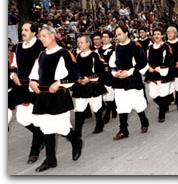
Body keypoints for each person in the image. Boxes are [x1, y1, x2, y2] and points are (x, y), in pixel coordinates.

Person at [29, 26, 83, 172]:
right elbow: (34, 74)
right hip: (43, 96)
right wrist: (32, 82)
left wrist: (58, 83)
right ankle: (50, 159)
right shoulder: (41, 55)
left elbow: (74, 75)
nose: (41, 39)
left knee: (62, 127)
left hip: (58, 96)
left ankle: (76, 142)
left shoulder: (64, 53)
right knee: (46, 128)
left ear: (52, 36)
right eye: (39, 37)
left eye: (43, 36)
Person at [9, 21, 45, 164]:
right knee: (22, 119)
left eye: (26, 30)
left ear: (34, 32)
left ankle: (34, 150)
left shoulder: (41, 47)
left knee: (35, 119)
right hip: (20, 87)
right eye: (22, 29)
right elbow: (12, 64)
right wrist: (13, 75)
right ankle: (40, 135)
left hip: (35, 88)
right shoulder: (17, 47)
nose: (23, 32)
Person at [109, 24, 149, 140]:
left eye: (120, 34)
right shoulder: (116, 48)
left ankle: (144, 121)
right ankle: (123, 130)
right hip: (120, 80)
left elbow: (142, 62)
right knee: (121, 104)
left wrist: (129, 72)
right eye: (116, 35)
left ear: (126, 33)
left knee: (137, 103)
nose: (118, 37)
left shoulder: (135, 46)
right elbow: (112, 64)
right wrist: (115, 73)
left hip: (132, 79)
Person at [71, 35, 107, 137]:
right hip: (80, 86)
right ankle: (77, 131)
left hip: (92, 86)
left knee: (96, 107)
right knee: (79, 108)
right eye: (78, 42)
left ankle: (99, 124)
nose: (79, 44)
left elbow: (100, 71)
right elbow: (74, 70)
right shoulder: (76, 56)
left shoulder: (94, 55)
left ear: (88, 43)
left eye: (81, 42)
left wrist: (90, 79)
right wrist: (77, 79)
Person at [145, 27, 174, 122]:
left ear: (162, 36)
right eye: (155, 34)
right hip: (152, 74)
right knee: (153, 95)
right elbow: (147, 60)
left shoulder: (166, 47)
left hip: (163, 73)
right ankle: (164, 106)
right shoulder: (150, 48)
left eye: (158, 34)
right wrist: (149, 67)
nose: (156, 36)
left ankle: (161, 114)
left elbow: (170, 60)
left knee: (163, 94)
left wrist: (160, 68)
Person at [98, 30, 117, 124]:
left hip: (110, 74)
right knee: (104, 95)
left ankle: (108, 113)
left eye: (106, 37)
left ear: (110, 38)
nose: (104, 38)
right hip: (101, 74)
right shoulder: (99, 49)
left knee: (110, 93)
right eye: (103, 37)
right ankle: (113, 107)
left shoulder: (113, 49)